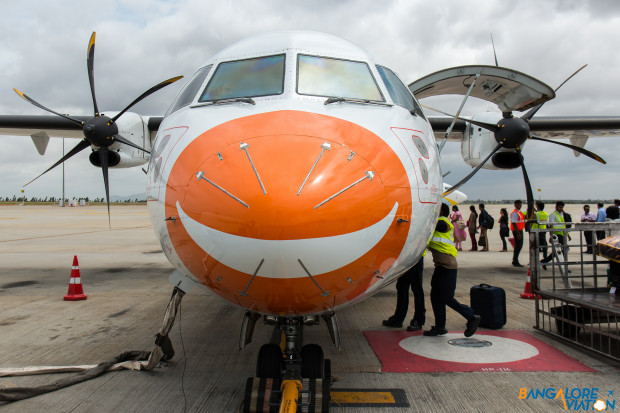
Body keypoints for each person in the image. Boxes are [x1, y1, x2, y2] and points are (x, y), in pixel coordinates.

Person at [423, 203, 480, 337]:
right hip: (441, 266)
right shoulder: (439, 222)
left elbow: (440, 226)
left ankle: (471, 316)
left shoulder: (443, 221)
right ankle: (440, 327)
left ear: (440, 211)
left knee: (446, 297)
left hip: (447, 266)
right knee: (436, 297)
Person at [382, 256, 426, 331]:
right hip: (406, 257)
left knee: (416, 289)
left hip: (416, 256)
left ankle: (419, 320)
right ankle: (398, 318)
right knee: (401, 286)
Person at [542, 201, 570, 265]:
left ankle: (545, 261)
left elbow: (563, 225)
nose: (561, 208)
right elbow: (551, 225)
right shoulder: (553, 214)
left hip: (562, 234)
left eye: (562, 207)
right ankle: (563, 264)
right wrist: (551, 236)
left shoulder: (561, 214)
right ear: (556, 207)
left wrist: (568, 234)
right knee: (565, 248)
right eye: (560, 207)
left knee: (559, 250)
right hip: (557, 235)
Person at [532, 201, 549, 265]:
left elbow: (533, 217)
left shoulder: (536, 214)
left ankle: (535, 260)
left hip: (537, 231)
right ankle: (545, 258)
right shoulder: (545, 213)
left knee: (535, 246)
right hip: (543, 231)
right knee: (544, 246)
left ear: (537, 206)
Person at [510, 200, 525, 267]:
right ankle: (515, 260)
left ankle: (515, 259)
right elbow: (514, 223)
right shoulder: (515, 213)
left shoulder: (519, 212)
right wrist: (518, 233)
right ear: (515, 205)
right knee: (518, 246)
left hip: (520, 230)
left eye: (520, 204)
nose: (519, 206)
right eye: (518, 204)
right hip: (517, 231)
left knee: (519, 246)